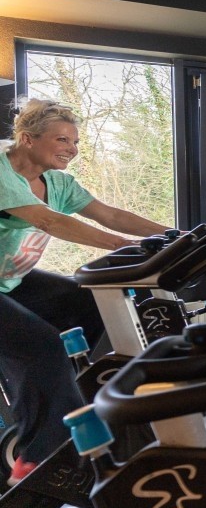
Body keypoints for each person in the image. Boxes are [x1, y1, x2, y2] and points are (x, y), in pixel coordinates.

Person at [0, 99, 169, 485]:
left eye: (75, 142)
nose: (72, 149)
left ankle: (70, 393)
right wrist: (122, 245)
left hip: (12, 279)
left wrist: (173, 234)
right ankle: (38, 459)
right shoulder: (1, 169)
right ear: (27, 139)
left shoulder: (58, 182)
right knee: (42, 345)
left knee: (89, 299)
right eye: (62, 139)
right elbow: (48, 220)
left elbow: (109, 214)